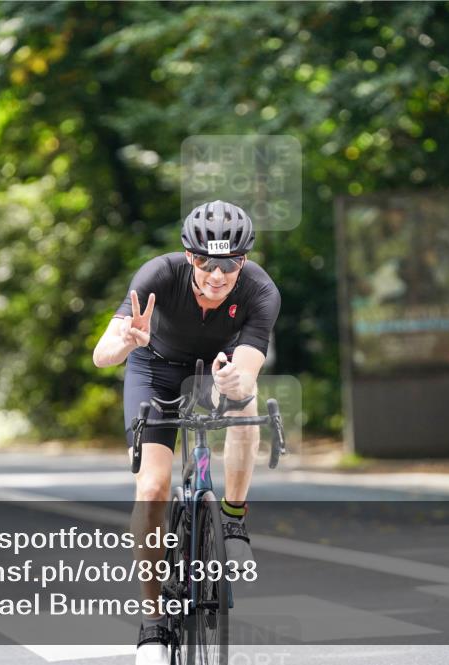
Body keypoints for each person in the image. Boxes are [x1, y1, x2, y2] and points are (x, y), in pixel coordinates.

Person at [92, 200, 280, 665]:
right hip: (152, 369)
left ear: (244, 261)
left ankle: (232, 518)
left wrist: (235, 380)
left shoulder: (260, 292)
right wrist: (125, 341)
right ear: (189, 256)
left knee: (244, 408)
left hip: (215, 370)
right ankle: (153, 621)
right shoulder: (157, 275)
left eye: (229, 264)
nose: (217, 275)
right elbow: (102, 354)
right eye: (205, 262)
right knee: (153, 487)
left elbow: (248, 371)